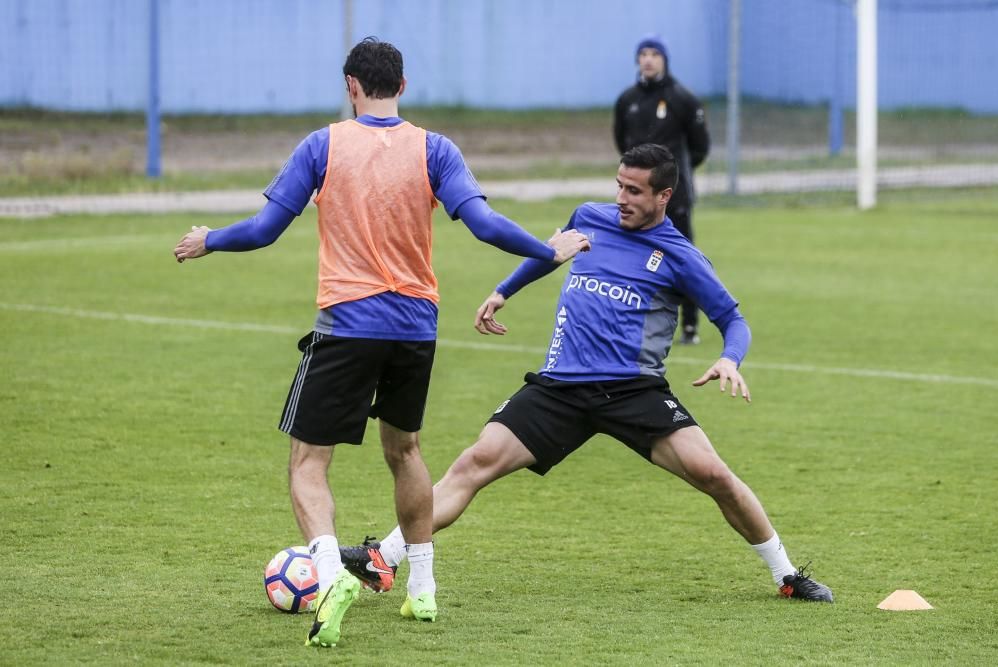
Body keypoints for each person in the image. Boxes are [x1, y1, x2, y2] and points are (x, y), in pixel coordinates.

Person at [172, 37, 590, 648]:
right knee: (406, 452)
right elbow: (484, 224)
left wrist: (210, 238)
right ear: (404, 85)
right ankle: (422, 590)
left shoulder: (323, 144)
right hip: (415, 328)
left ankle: (325, 572)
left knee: (308, 464)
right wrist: (546, 250)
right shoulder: (435, 148)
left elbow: (264, 231)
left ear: (350, 86)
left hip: (348, 324)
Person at [338, 144, 833, 606]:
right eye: (619, 185)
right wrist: (504, 290)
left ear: (664, 196)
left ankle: (787, 575)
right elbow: (552, 252)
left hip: (633, 390)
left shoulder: (681, 256)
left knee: (713, 474)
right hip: (560, 388)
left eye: (634, 191)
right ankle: (385, 557)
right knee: (474, 462)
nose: (621, 198)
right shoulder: (590, 217)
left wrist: (731, 358)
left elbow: (733, 320)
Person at [613, 34, 710, 345]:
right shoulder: (627, 100)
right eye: (643, 53)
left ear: (664, 60)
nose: (649, 59)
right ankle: (628, 323)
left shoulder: (682, 98)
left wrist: (670, 180)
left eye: (655, 53)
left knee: (683, 258)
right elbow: (621, 142)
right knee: (630, 259)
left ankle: (690, 326)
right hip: (635, 200)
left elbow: (699, 147)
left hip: (674, 199)